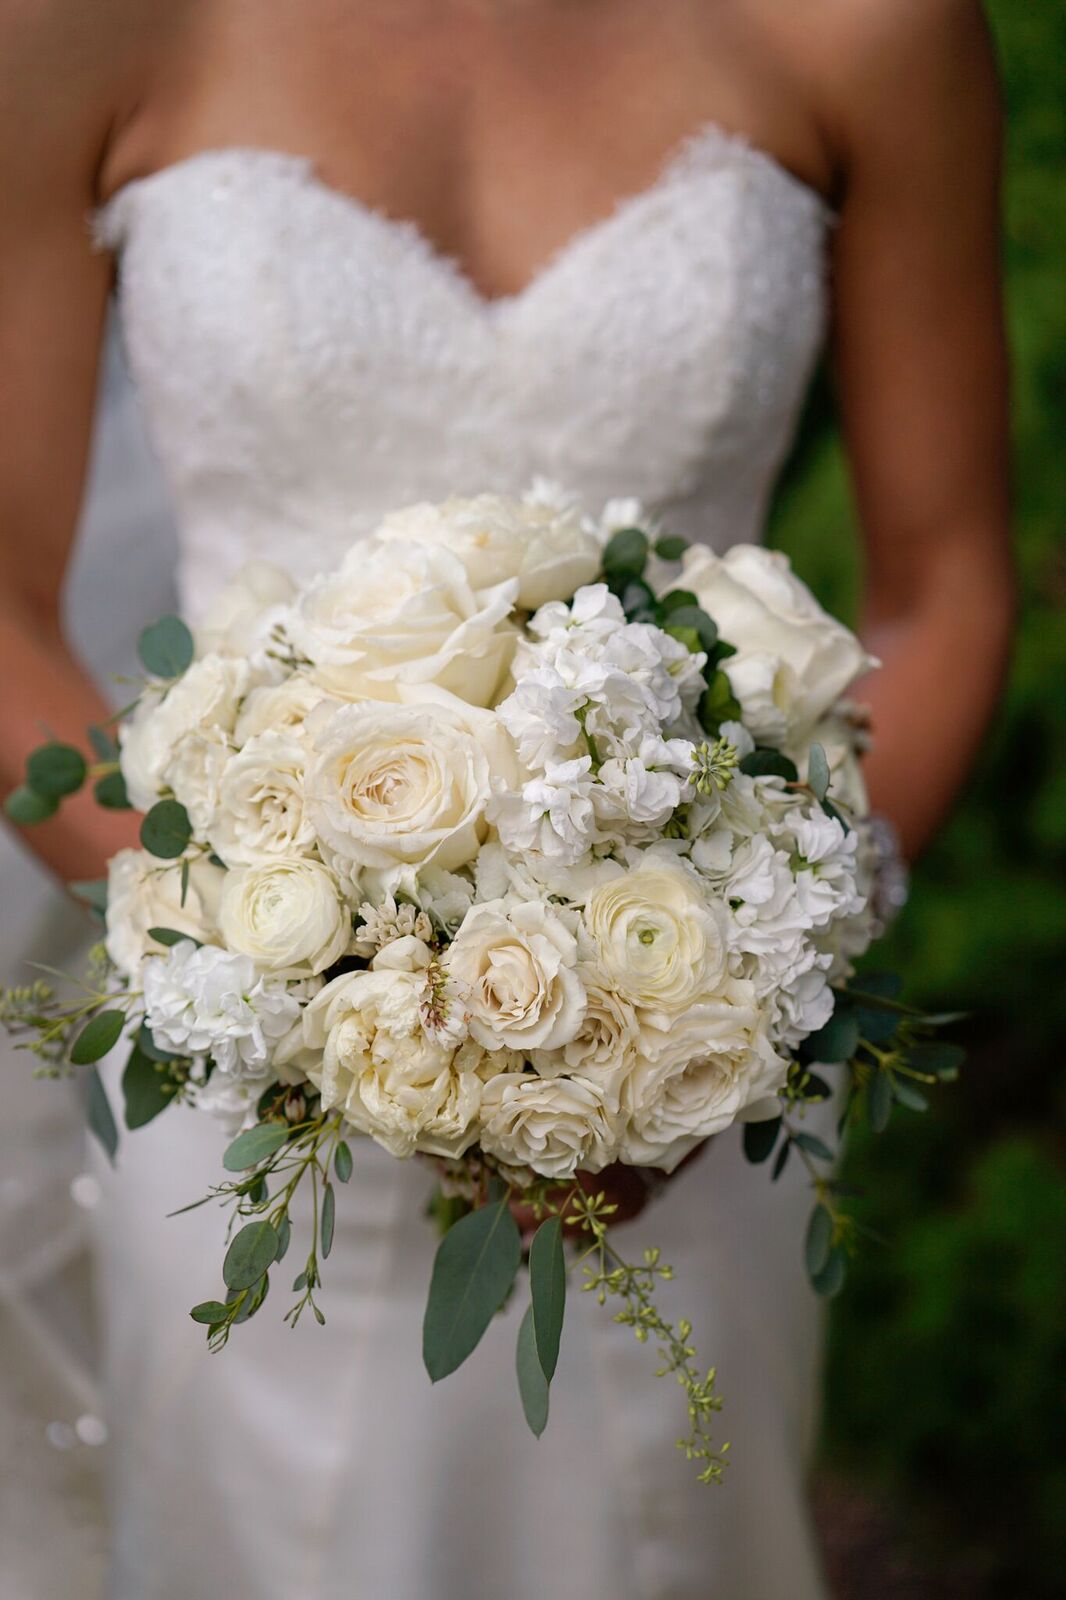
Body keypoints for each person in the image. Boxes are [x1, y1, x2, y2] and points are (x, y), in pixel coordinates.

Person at [0, 2, 1013, 1596]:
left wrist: (762, 975)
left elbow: (942, 590)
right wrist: (292, 985)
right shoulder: (83, 25)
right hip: (251, 1094)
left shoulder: (865, 25)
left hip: (692, 1070)